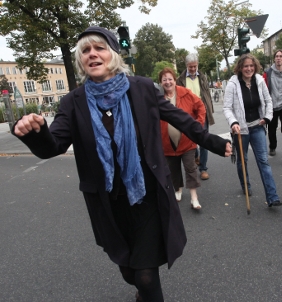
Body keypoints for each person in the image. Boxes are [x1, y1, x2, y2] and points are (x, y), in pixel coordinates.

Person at [12, 26, 232, 302]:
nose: (92, 54)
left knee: (146, 275)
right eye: (85, 50)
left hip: (147, 195)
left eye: (99, 48)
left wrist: (211, 141)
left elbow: (180, 118)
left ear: (114, 55)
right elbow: (53, 145)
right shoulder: (73, 102)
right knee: (129, 272)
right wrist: (36, 132)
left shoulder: (141, 89)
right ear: (81, 60)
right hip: (109, 202)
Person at [223, 53, 282, 207]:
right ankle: (246, 185)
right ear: (240, 68)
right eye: (245, 66)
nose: (249, 69)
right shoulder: (232, 84)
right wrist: (233, 122)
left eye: (251, 66)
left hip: (257, 126)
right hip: (240, 129)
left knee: (263, 161)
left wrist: (268, 117)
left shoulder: (260, 80)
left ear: (255, 66)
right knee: (243, 161)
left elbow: (268, 101)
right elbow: (227, 108)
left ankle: (272, 196)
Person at [159, 67, 206, 210]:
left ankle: (194, 198)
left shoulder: (186, 93)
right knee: (173, 169)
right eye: (164, 80)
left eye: (170, 79)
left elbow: (200, 107)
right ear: (161, 83)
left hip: (187, 141)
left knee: (190, 168)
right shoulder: (158, 98)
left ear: (174, 80)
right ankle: (177, 189)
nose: (167, 82)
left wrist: (197, 125)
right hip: (167, 143)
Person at [177, 53, 215, 181]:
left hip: (201, 112)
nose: (193, 69)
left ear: (197, 65)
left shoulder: (202, 77)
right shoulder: (180, 79)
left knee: (203, 140)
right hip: (187, 114)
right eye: (190, 67)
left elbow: (207, 94)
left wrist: (209, 110)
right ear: (186, 66)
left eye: (195, 66)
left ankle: (203, 168)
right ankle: (196, 156)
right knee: (190, 140)